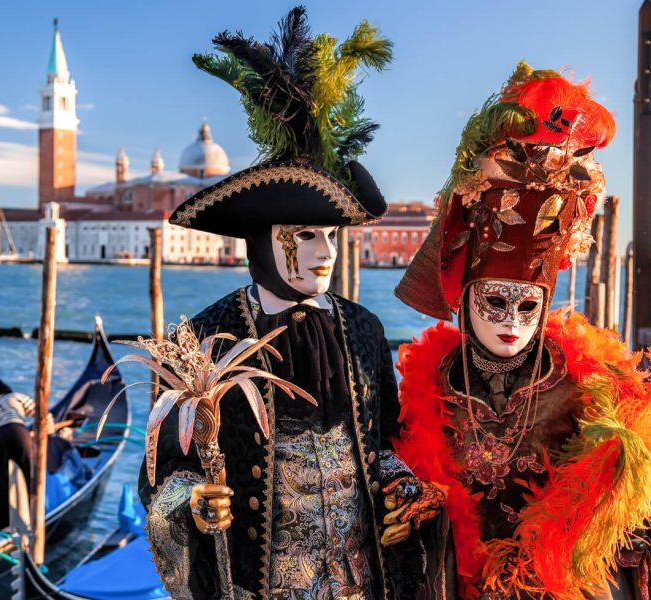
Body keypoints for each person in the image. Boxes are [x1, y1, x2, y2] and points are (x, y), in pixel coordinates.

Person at [139, 7, 443, 599]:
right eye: (305, 235)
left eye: (330, 236)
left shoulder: (363, 328)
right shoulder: (204, 338)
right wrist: (195, 504)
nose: (323, 252)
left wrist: (402, 484)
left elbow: (382, 442)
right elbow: (159, 478)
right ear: (262, 239)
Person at [392, 62, 651, 599]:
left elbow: (629, 499)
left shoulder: (586, 383)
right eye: (494, 301)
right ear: (466, 301)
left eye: (527, 305)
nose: (511, 320)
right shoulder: (432, 385)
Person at [0, 384, 50, 530]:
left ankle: (1, 527)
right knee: (30, 476)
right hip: (17, 432)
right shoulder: (13, 397)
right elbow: (41, 413)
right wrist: (50, 433)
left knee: (1, 485)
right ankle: (32, 517)